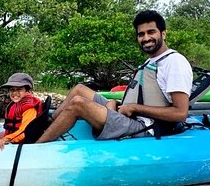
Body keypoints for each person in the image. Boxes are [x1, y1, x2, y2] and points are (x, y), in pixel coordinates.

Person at [36, 10, 193, 143]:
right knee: (79, 90)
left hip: (146, 126)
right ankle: (47, 126)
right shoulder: (152, 60)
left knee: (78, 103)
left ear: (163, 34)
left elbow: (180, 113)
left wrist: (133, 107)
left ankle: (34, 147)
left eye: (151, 32)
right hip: (129, 115)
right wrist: (117, 104)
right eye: (141, 34)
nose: (145, 38)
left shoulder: (174, 62)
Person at [0, 73, 43, 150]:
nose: (15, 93)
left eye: (19, 89)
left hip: (20, 141)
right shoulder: (17, 103)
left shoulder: (29, 109)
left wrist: (5, 139)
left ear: (28, 91)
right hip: (13, 135)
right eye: (12, 90)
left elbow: (25, 131)